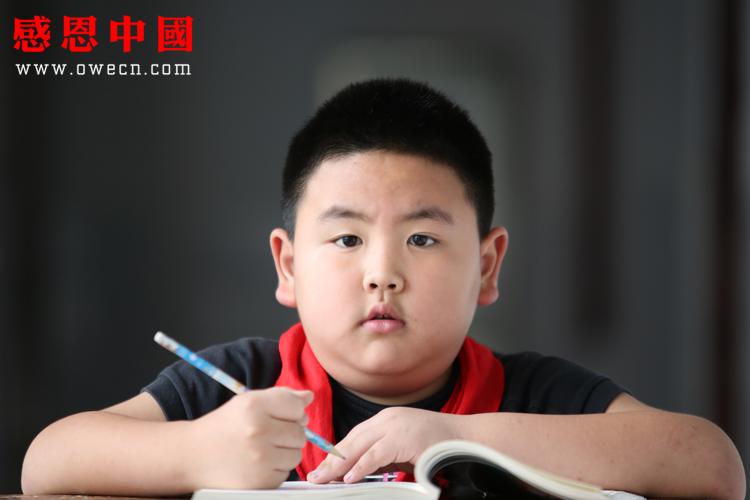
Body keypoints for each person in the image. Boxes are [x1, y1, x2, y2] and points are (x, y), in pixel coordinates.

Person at [21, 78, 745, 499]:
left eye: (422, 239)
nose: (382, 273)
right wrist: (198, 452)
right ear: (287, 266)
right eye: (346, 239)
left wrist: (460, 437)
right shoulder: (240, 385)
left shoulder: (533, 394)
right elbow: (46, 462)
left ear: (487, 266)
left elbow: (713, 466)